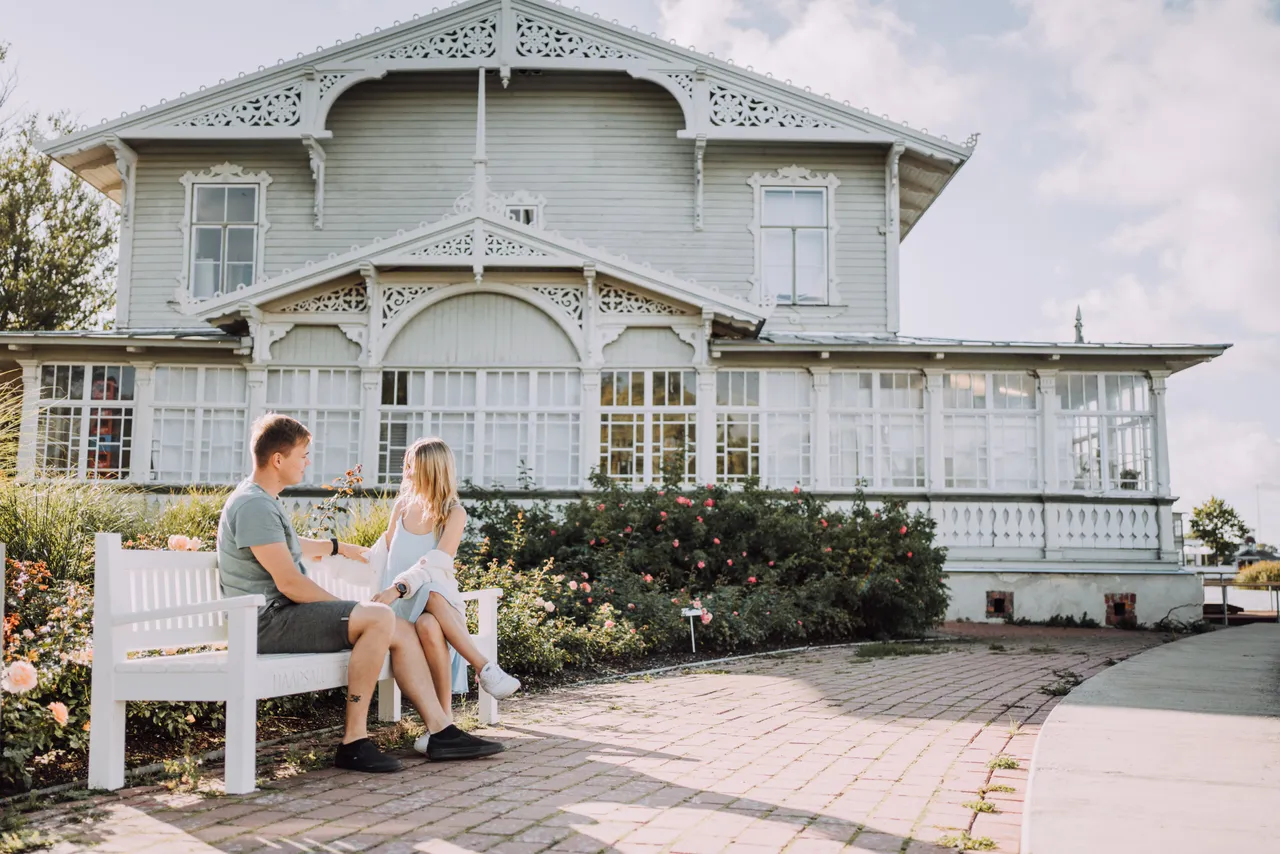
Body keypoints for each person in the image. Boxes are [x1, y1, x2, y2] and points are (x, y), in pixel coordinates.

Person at [216, 413, 503, 773]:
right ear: (278, 459)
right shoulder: (255, 504)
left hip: (279, 616)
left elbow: (286, 545)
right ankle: (354, 741)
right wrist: (350, 608)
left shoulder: (262, 500)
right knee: (379, 617)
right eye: (303, 455)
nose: (307, 463)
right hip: (265, 622)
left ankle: (441, 730)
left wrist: (337, 546)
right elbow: (290, 583)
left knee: (399, 628)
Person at [374, 437, 521, 757]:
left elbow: (434, 564)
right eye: (407, 464)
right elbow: (382, 553)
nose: (408, 471)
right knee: (428, 602)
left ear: (432, 470)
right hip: (398, 610)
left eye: (414, 465)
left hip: (436, 607)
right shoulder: (401, 507)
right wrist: (332, 550)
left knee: (429, 618)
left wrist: (398, 587)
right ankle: (485, 669)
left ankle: (442, 727)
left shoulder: (453, 513)